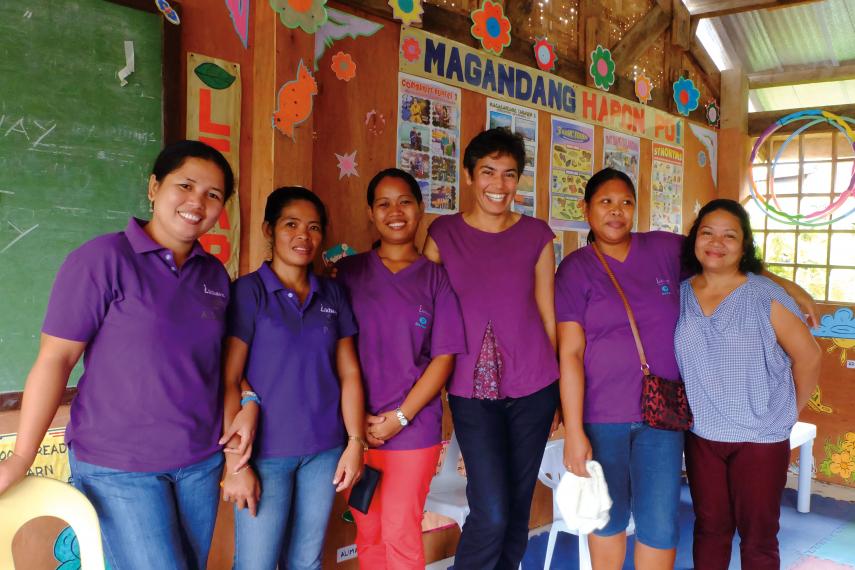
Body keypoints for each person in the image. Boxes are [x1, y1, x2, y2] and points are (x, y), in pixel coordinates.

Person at [556, 169, 817, 570]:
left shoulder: (661, 249)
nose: (616, 212)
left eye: (626, 202)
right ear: (586, 209)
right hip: (604, 415)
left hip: (665, 417)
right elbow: (570, 353)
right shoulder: (575, 269)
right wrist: (573, 430)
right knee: (608, 519)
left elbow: (723, 255)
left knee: (661, 526)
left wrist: (786, 285)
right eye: (605, 202)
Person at [0, 140, 235, 568]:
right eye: (184, 185)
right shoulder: (102, 259)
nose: (196, 202)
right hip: (119, 464)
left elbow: (218, 365)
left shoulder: (215, 275)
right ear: (153, 187)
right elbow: (56, 360)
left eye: (213, 195)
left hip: (198, 462)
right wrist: (20, 457)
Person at [423, 128, 560, 569]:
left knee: (517, 509)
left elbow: (548, 313)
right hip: (469, 390)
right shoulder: (443, 234)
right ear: (468, 175)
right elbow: (422, 308)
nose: (498, 186)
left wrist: (557, 391)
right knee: (492, 509)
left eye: (509, 175)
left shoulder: (537, 235)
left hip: (534, 387)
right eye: (488, 173)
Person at [220, 186, 365, 570]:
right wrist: (236, 463)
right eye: (291, 225)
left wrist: (355, 442)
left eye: (314, 227)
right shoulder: (248, 293)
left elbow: (349, 372)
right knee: (256, 563)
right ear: (269, 230)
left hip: (324, 450)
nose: (304, 236)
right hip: (264, 453)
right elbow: (230, 377)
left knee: (307, 561)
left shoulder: (333, 294)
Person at [675, 199, 821, 570]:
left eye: (729, 235)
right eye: (708, 232)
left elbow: (809, 355)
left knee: (758, 538)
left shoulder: (763, 295)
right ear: (694, 238)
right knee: (709, 529)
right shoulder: (679, 294)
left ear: (744, 245)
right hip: (704, 434)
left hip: (760, 439)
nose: (717, 242)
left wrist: (788, 413)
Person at [336, 168, 466, 569]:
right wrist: (359, 429)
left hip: (413, 431)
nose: (395, 212)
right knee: (368, 533)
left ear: (421, 209)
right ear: (371, 213)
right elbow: (338, 355)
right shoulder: (348, 274)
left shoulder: (436, 279)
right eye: (384, 203)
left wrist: (400, 417)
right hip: (355, 433)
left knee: (399, 532)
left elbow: (444, 358)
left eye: (405, 201)